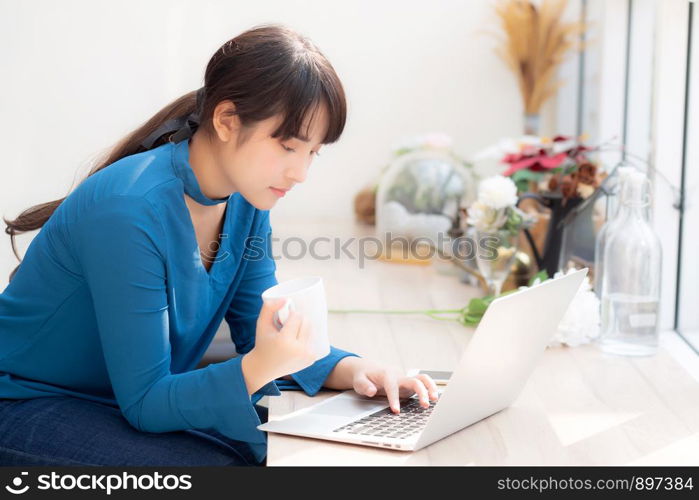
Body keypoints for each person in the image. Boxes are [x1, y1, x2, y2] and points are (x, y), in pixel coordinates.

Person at [0, 23, 439, 466]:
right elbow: (148, 401)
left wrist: (356, 372)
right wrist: (261, 365)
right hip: (25, 401)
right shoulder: (129, 209)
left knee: (272, 450)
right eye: (288, 146)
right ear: (227, 120)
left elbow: (258, 331)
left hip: (116, 399)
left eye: (313, 153)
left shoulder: (247, 199)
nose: (301, 173)